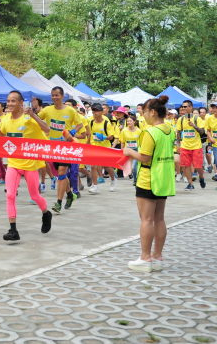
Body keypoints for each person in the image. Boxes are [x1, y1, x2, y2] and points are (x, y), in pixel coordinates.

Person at [123, 95, 176, 272]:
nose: (143, 115)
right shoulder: (169, 130)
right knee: (159, 219)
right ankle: (157, 257)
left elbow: (145, 157)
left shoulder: (149, 132)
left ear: (153, 112)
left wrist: (130, 152)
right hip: (164, 178)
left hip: (149, 178)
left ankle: (145, 258)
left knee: (146, 219)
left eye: (144, 111)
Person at [0, 90, 54, 242]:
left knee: (34, 195)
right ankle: (13, 230)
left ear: (21, 103)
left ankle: (46, 213)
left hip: (30, 164)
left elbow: (47, 129)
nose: (9, 103)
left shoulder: (28, 118)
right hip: (13, 163)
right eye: (8, 101)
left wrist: (34, 115)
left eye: (13, 101)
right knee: (10, 195)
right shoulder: (5, 119)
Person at [38, 86, 84, 213]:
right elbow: (36, 119)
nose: (54, 97)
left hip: (65, 147)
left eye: (57, 95)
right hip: (52, 147)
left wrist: (73, 131)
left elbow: (80, 123)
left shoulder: (70, 110)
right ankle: (70, 194)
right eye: (53, 95)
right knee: (61, 175)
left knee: (62, 172)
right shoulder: (47, 110)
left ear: (62, 96)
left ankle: (58, 202)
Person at [176, 99, 206, 190]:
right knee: (185, 166)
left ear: (190, 107)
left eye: (185, 106)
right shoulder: (181, 119)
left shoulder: (197, 119)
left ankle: (201, 177)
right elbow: (178, 132)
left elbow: (202, 131)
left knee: (198, 166)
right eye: (182, 107)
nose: (183, 108)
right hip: (185, 146)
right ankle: (190, 183)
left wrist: (194, 126)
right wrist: (178, 144)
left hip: (196, 146)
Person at [87, 103, 116, 193]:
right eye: (93, 111)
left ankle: (113, 179)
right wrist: (87, 144)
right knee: (93, 166)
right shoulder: (91, 122)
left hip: (105, 147)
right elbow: (90, 134)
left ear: (101, 112)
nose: (94, 113)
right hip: (94, 147)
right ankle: (94, 186)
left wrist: (103, 137)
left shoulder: (106, 123)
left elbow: (111, 136)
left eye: (96, 111)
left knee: (107, 166)